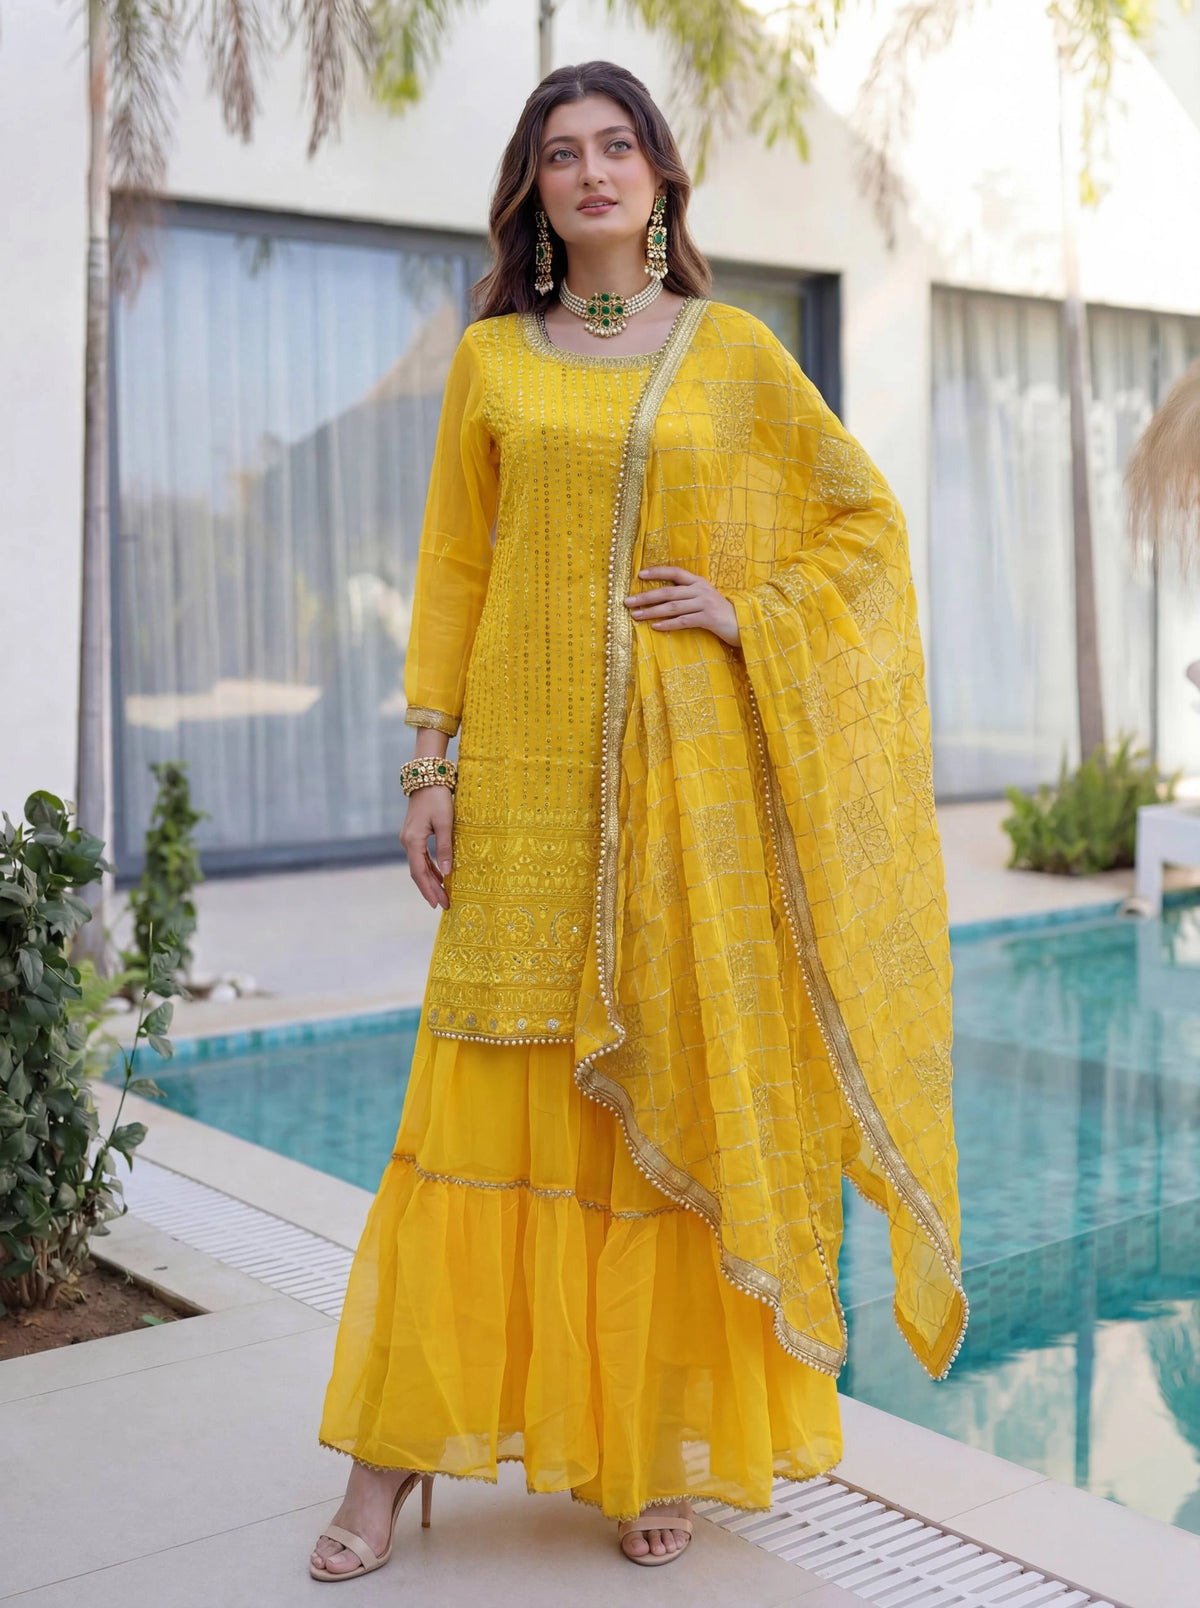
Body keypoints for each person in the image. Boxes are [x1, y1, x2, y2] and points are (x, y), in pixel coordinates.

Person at [310, 58, 966, 1581]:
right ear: (533, 192)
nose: (593, 171)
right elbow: (457, 566)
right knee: (475, 1100)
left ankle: (639, 1449)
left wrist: (753, 614)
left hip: (680, 805)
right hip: (525, 786)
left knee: (649, 1104)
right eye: (562, 153)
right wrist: (429, 764)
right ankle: (386, 1466)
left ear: (662, 177)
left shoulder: (732, 353)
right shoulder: (493, 359)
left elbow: (862, 524)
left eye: (618, 146)